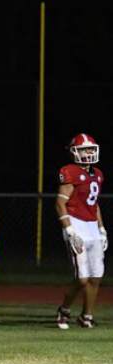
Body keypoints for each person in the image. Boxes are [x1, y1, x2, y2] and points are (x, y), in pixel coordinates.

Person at [56, 133, 106, 329]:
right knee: (81, 277)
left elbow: (94, 205)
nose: (88, 152)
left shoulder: (98, 174)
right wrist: (69, 231)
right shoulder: (69, 172)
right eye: (84, 149)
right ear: (74, 152)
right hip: (76, 225)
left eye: (90, 149)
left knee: (96, 276)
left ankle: (86, 316)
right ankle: (64, 311)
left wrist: (102, 229)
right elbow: (60, 204)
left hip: (92, 226)